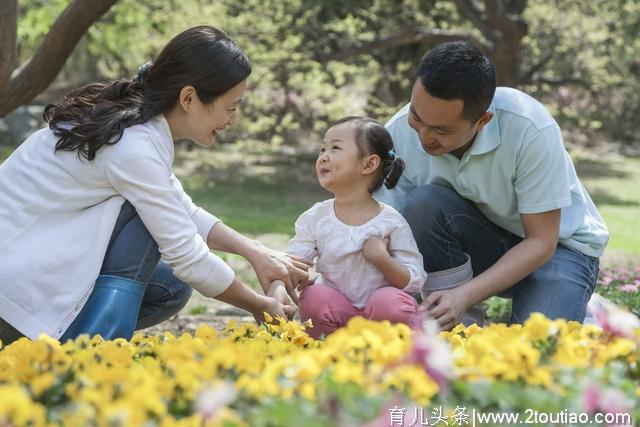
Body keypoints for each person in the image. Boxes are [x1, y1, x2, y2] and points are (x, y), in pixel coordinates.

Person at [0, 26, 309, 346]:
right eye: (231, 107)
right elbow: (188, 256)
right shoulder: (133, 146)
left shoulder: (129, 126)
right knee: (149, 225)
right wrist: (258, 305)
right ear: (189, 97)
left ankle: (72, 338)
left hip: (24, 268)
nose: (232, 120)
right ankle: (88, 352)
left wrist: (255, 252)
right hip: (13, 298)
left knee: (169, 288)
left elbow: (181, 207)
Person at [375, 41, 609, 331]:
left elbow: (541, 241)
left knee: (535, 350)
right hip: (483, 241)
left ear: (483, 120)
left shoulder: (529, 128)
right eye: (417, 118)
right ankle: (459, 327)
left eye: (441, 130)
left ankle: (588, 310)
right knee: (424, 204)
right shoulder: (397, 132)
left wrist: (463, 295)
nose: (423, 137)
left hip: (559, 248)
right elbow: (379, 225)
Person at [268, 117, 428, 339]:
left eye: (335, 148)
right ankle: (332, 349)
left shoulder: (391, 222)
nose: (323, 156)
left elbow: (414, 281)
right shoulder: (315, 218)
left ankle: (392, 349)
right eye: (322, 149)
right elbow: (293, 265)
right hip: (335, 315)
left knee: (391, 302)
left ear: (369, 164)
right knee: (314, 297)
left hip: (382, 322)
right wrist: (278, 289)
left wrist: (381, 258)